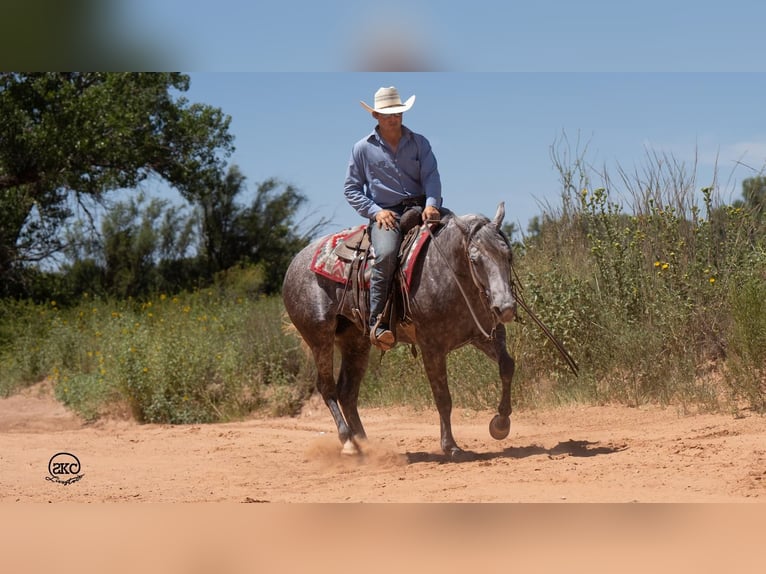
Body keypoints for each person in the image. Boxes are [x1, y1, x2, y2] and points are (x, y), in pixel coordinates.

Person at [344, 86, 443, 349]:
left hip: (422, 208)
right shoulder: (362, 149)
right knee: (387, 254)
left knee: (462, 236)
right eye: (387, 114)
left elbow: (432, 177)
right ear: (375, 115)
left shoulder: (420, 142)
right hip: (388, 214)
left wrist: (432, 204)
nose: (393, 117)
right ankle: (379, 322)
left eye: (397, 112)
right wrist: (376, 212)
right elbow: (351, 189)